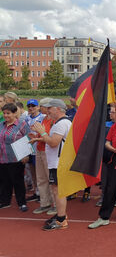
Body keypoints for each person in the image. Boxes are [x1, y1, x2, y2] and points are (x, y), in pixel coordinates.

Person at [31, 99, 72, 230]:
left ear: (58, 109)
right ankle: (61, 215)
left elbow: (54, 142)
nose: (47, 110)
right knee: (56, 190)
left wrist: (42, 132)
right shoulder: (62, 122)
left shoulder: (61, 124)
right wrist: (40, 137)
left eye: (50, 108)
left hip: (58, 162)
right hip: (58, 161)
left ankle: (61, 219)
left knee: (58, 190)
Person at [0, 103, 31, 211]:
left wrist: (26, 154)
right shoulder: (1, 125)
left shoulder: (22, 125)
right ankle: (5, 201)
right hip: (2, 158)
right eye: (4, 113)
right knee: (4, 181)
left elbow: (29, 139)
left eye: (8, 113)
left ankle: (22, 203)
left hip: (16, 158)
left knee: (17, 181)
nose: (6, 115)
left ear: (14, 113)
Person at [30, 98, 55, 215]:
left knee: (50, 179)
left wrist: (37, 138)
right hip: (39, 150)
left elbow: (50, 138)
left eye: (42, 106)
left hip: (48, 151)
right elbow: (43, 135)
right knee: (41, 178)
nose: (40, 108)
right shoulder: (44, 119)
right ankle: (45, 203)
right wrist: (35, 135)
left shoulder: (53, 120)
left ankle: (55, 204)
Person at [25, 99, 45, 202]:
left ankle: (42, 194)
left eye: (33, 106)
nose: (31, 108)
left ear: (38, 107)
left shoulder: (43, 117)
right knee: (32, 172)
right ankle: (36, 191)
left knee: (40, 173)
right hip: (29, 148)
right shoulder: (26, 118)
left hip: (39, 148)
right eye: (29, 106)